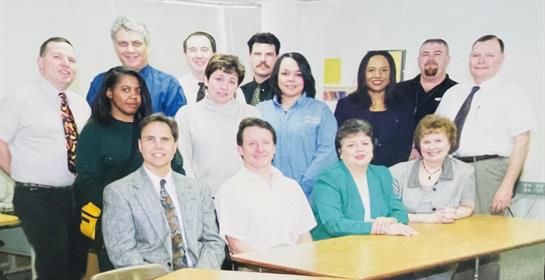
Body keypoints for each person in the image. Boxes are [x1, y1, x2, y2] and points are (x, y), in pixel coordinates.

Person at [436, 34, 537, 279]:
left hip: (489, 170)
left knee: (487, 240)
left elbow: (522, 141)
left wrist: (507, 186)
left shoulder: (512, 93)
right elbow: (436, 131)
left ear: (501, 59)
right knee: (452, 234)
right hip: (453, 168)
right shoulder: (454, 93)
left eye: (489, 55)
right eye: (476, 55)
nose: (481, 61)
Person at [73, 66, 184, 271]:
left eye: (137, 91)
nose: (133, 96)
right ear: (109, 92)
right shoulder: (94, 130)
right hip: (115, 224)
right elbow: (86, 182)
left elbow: (177, 169)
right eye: (125, 90)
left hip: (159, 221)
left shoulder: (151, 127)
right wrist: (126, 206)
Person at [0, 37, 90, 280]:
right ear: (41, 63)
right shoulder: (20, 99)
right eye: (57, 57)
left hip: (74, 196)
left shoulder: (80, 104)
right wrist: (21, 175)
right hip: (38, 197)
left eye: (71, 59)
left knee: (77, 265)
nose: (66, 63)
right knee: (53, 268)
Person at [102, 114, 224, 271]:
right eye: (150, 139)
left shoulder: (199, 190)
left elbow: (214, 242)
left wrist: (199, 276)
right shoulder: (118, 193)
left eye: (165, 139)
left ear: (175, 146)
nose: (158, 146)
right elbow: (122, 253)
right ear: (140, 145)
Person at [215, 118, 316, 258]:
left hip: (297, 267)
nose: (260, 149)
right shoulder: (231, 190)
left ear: (274, 148)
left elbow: (304, 235)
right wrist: (274, 267)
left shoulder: (291, 187)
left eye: (266, 143)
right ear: (240, 149)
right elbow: (236, 244)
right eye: (252, 144)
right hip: (256, 269)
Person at [390, 115, 475, 279]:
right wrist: (431, 218)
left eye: (438, 141)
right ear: (419, 145)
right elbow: (392, 214)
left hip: (445, 242)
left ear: (450, 143)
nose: (432, 147)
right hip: (403, 240)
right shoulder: (397, 172)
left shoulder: (465, 172)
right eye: (426, 142)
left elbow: (468, 206)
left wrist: (455, 213)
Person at [311, 119, 417, 240]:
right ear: (340, 152)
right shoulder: (328, 178)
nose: (359, 149)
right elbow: (334, 224)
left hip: (376, 244)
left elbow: (400, 213)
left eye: (365, 143)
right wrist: (379, 228)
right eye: (351, 145)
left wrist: (390, 220)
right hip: (336, 248)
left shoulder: (381, 173)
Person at [175, 54, 259, 196]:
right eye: (219, 79)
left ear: (237, 86)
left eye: (232, 81)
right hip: (204, 197)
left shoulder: (251, 114)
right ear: (206, 80)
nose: (224, 86)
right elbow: (184, 162)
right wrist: (197, 195)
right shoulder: (186, 115)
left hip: (244, 195)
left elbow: (258, 158)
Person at [256, 52, 337, 199]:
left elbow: (327, 152)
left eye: (298, 74)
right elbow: (253, 151)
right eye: (285, 73)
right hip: (269, 193)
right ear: (276, 77)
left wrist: (302, 186)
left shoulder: (320, 111)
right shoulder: (261, 111)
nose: (291, 79)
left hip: (311, 195)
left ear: (306, 77)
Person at [86, 15, 185, 116]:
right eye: (123, 44)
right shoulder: (100, 83)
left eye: (136, 43)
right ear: (115, 47)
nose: (130, 50)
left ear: (147, 46)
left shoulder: (168, 85)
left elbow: (179, 128)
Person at [335, 51, 413, 167]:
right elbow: (338, 144)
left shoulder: (403, 107)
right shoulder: (346, 105)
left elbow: (405, 147)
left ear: (391, 75)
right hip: (354, 174)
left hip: (392, 176)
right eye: (371, 70)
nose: (378, 75)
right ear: (363, 74)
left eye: (384, 70)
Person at [393, 39, 457, 126]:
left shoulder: (457, 92)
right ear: (419, 60)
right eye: (425, 54)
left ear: (447, 59)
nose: (431, 59)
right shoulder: (398, 90)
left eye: (437, 54)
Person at [178, 31, 245, 104]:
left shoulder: (232, 90)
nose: (199, 55)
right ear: (185, 55)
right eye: (193, 50)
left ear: (214, 54)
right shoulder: (177, 88)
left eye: (204, 50)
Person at [241, 32, 280, 105]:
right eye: (257, 54)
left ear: (277, 59)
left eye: (269, 54)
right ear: (250, 57)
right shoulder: (240, 93)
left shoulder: (284, 93)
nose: (263, 59)